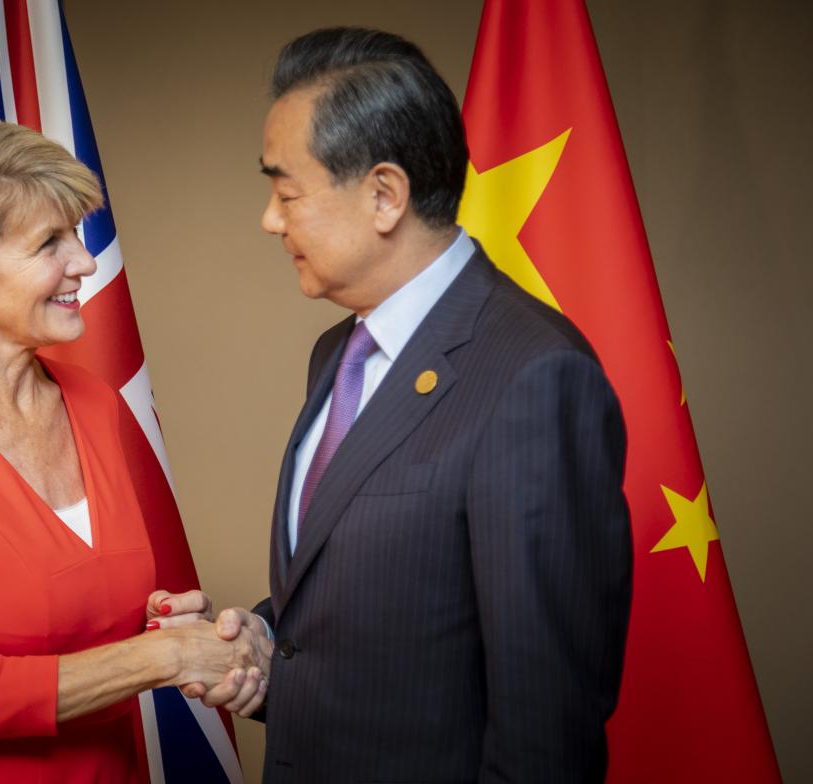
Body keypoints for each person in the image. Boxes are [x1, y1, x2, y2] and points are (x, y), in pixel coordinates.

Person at [159, 27, 633, 782]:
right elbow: (380, 602)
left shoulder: (535, 378)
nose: (270, 220)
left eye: (286, 192)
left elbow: (547, 729)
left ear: (384, 194)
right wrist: (258, 640)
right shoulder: (335, 354)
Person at [0, 117, 268, 783]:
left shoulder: (95, 403)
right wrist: (167, 660)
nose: (86, 262)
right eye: (49, 243)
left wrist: (181, 631)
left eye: (76, 232)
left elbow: (89, 621)